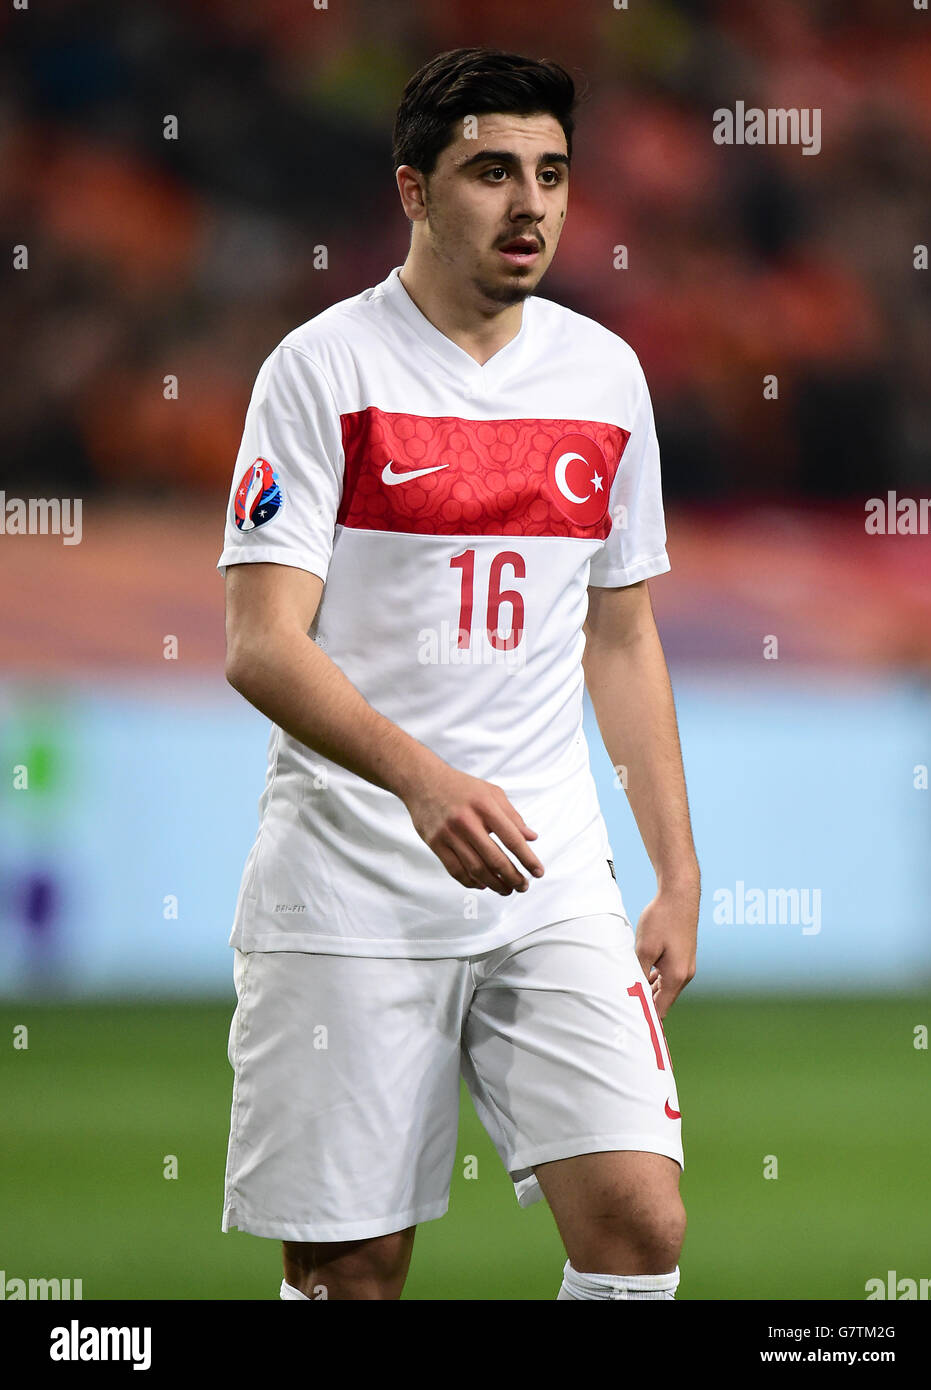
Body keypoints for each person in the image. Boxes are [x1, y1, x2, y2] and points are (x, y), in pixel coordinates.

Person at [217, 46, 700, 1302]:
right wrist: (424, 783)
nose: (531, 202)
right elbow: (261, 641)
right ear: (415, 191)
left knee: (641, 1226)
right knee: (353, 1273)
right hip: (351, 883)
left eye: (551, 173)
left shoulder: (605, 377)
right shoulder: (322, 371)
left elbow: (621, 634)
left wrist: (678, 868)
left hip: (549, 878)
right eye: (492, 172)